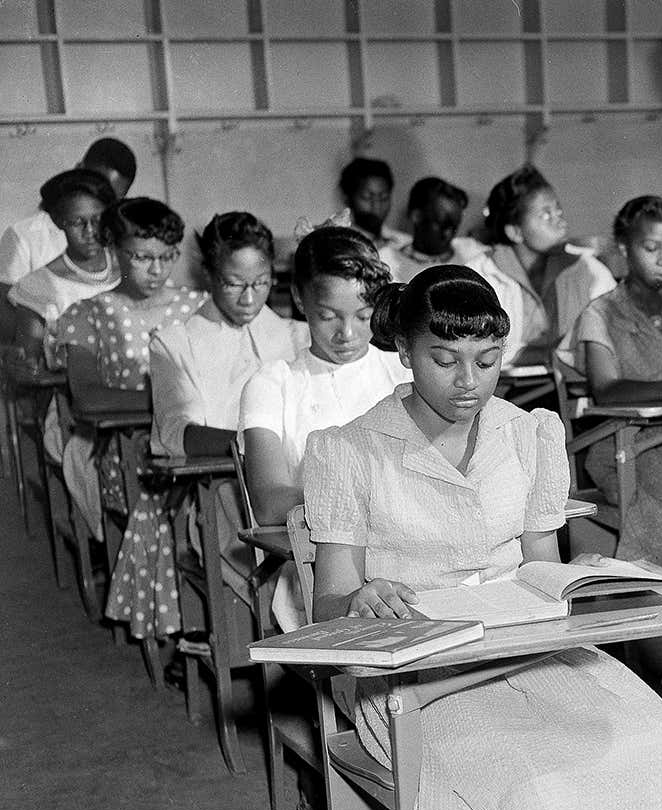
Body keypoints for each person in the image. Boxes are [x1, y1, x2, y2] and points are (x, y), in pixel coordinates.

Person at [301, 264, 662, 810]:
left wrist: (578, 580)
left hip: (529, 649)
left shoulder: (529, 434)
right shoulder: (350, 450)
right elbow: (328, 608)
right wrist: (358, 596)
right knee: (529, 785)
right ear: (407, 353)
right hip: (413, 675)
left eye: (488, 360)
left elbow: (536, 569)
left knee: (654, 741)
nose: (469, 382)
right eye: (445, 360)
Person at [239, 225, 409, 630]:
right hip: (318, 564)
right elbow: (267, 501)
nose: (347, 334)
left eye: (364, 316)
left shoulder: (399, 370)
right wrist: (369, 496)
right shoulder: (273, 383)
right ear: (299, 298)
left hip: (413, 547)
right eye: (327, 316)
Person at [55, 198, 203, 641]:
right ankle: (178, 625)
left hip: (192, 439)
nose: (155, 270)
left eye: (165, 257)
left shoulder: (197, 307)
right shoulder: (88, 314)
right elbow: (88, 398)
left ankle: (216, 622)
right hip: (129, 451)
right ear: (114, 250)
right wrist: (169, 407)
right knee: (166, 497)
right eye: (141, 257)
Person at [559, 196, 662, 581]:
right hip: (625, 444)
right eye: (651, 248)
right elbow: (607, 390)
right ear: (626, 249)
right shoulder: (602, 312)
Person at [148, 212, 305, 460]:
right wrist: (261, 448)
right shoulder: (174, 345)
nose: (249, 299)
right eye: (233, 284)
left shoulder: (298, 336)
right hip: (219, 482)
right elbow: (176, 434)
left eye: (262, 282)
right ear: (208, 275)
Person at [380, 176, 542, 360]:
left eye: (454, 226)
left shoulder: (473, 253)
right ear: (417, 216)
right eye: (442, 224)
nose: (448, 234)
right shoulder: (386, 262)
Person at [481, 164, 609, 342]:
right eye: (546, 215)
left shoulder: (587, 269)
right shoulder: (481, 275)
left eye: (559, 210)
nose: (561, 222)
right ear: (515, 232)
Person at [0, 137, 135, 306]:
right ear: (78, 169)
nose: (96, 198)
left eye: (108, 196)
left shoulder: (123, 242)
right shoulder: (23, 237)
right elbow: (5, 316)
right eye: (92, 185)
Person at [8, 169, 121, 362]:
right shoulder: (37, 286)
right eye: (77, 222)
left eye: (98, 220)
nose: (90, 231)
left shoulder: (129, 264)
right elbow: (31, 367)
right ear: (59, 222)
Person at [337, 157, 407, 251]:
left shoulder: (404, 244)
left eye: (383, 197)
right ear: (347, 198)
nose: (376, 205)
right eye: (367, 197)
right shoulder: (338, 244)